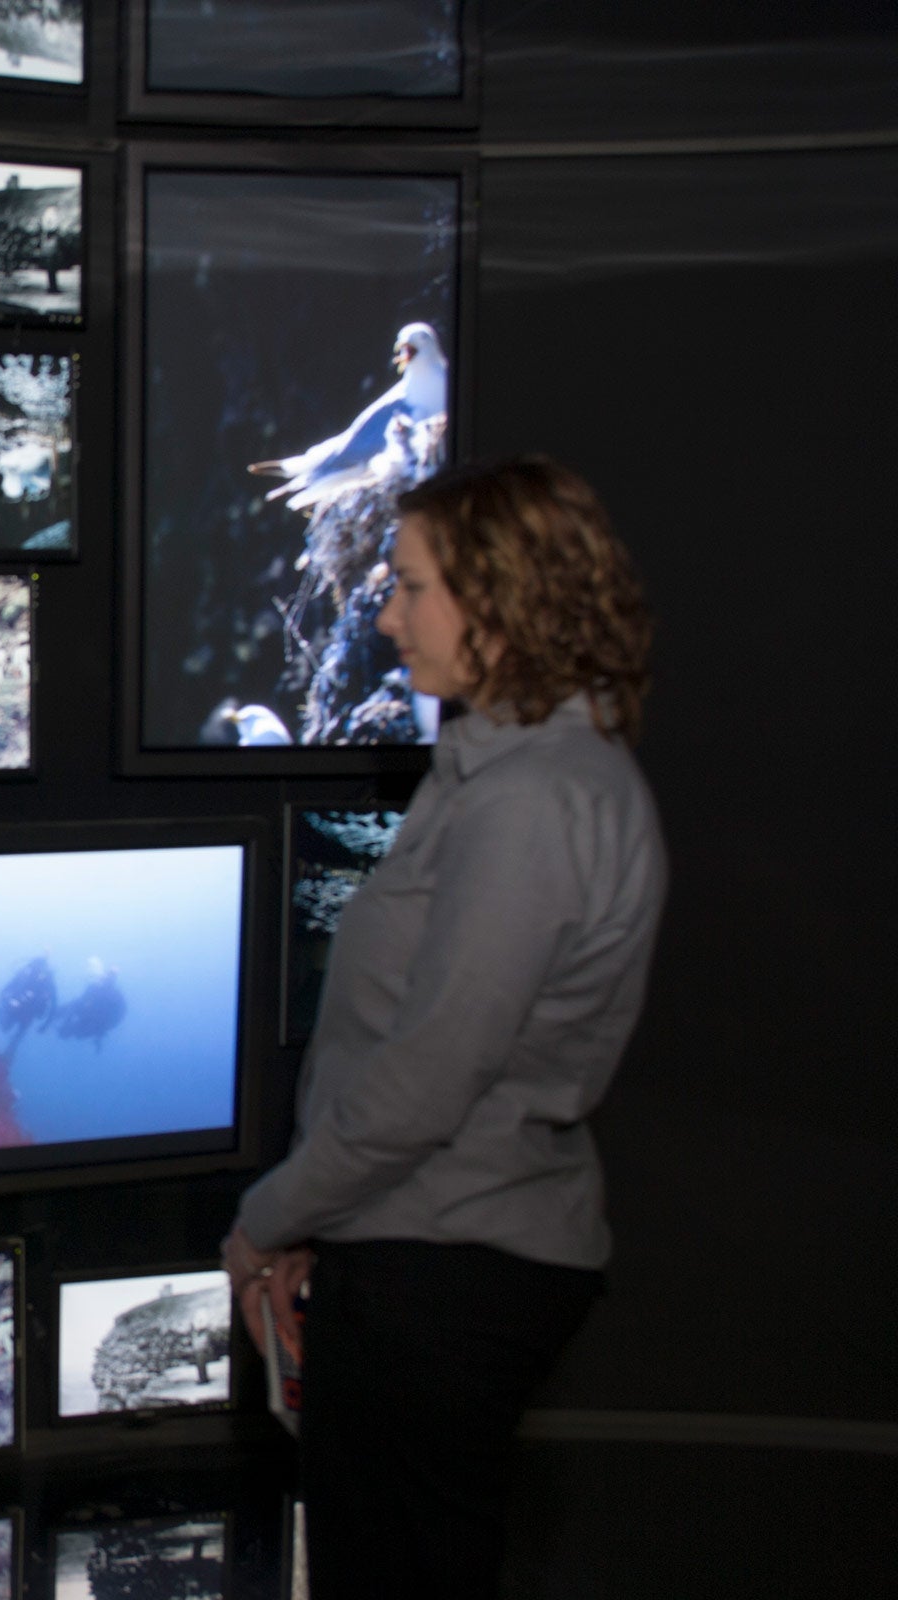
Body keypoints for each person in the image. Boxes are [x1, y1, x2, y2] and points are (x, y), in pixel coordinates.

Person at [221, 456, 665, 1599]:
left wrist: (271, 1215)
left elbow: (430, 1075)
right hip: (430, 1249)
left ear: (502, 598)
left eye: (411, 585)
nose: (383, 612)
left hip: (447, 1284)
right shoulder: (521, 774)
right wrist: (335, 1214)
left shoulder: (531, 802)